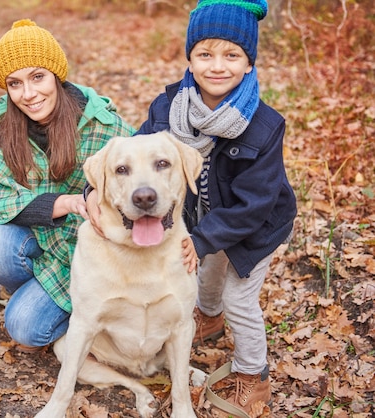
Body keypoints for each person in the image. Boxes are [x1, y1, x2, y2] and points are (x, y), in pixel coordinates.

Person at [130, 0, 296, 415]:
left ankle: (252, 374)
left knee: (239, 296)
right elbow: (139, 149)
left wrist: (202, 239)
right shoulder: (168, 109)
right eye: (205, 54)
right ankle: (208, 314)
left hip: (256, 225)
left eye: (231, 55)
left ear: (249, 64)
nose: (217, 66)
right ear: (190, 58)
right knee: (205, 270)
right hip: (205, 217)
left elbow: (254, 203)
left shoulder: (263, 125)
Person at [0, 19, 135, 351]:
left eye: (37, 77)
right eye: (15, 84)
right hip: (41, 241)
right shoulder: (4, 125)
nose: (28, 94)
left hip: (89, 255)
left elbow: (137, 183)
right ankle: (38, 293)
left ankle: (84, 312)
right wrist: (68, 202)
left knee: (24, 328)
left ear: (56, 76)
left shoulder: (102, 126)